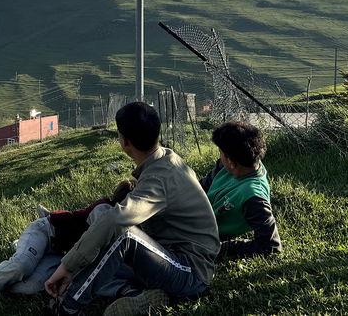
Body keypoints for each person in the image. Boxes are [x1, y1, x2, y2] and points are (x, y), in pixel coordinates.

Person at [45, 102, 219, 316]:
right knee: (106, 227)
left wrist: (68, 266)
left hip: (190, 271)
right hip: (167, 254)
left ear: (124, 141)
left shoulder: (159, 178)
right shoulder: (167, 159)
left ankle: (68, 306)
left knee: (122, 234)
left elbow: (117, 220)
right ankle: (142, 294)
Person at [0, 179, 138, 310]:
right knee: (22, 264)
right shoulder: (104, 212)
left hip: (61, 256)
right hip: (46, 232)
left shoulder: (120, 225)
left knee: (32, 286)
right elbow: (97, 253)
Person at [200, 121, 282, 259]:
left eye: (220, 152)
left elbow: (271, 246)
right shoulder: (239, 163)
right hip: (192, 217)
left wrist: (222, 249)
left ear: (232, 161)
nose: (220, 156)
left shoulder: (253, 198)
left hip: (200, 235)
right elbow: (202, 187)